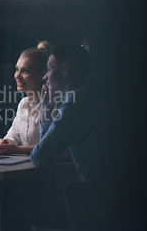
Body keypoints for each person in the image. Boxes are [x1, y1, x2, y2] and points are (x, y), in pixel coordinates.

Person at [30, 43, 99, 181]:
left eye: (49, 69)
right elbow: (48, 153)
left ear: (66, 69)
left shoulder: (77, 100)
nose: (45, 77)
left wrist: (46, 113)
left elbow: (40, 157)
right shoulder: (86, 96)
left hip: (95, 191)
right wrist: (47, 111)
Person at [0, 41, 50, 155]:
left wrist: (15, 149)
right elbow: (13, 136)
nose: (17, 75)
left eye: (25, 71)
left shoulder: (51, 105)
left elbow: (50, 147)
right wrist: (3, 143)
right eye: (17, 69)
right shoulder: (23, 103)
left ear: (42, 74)